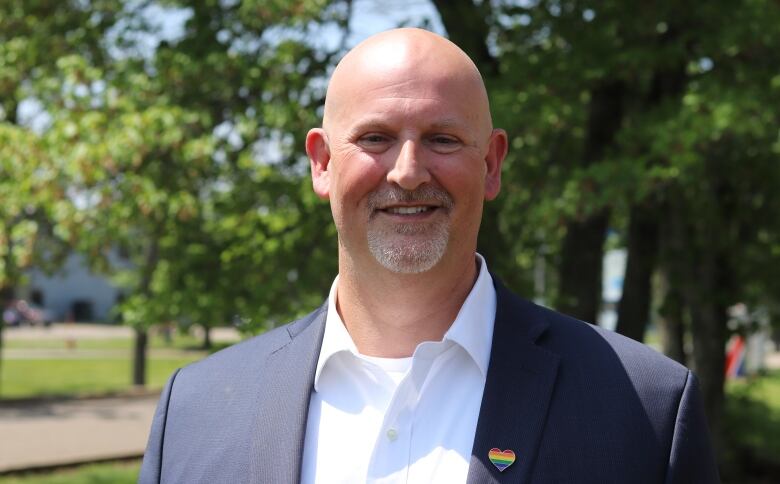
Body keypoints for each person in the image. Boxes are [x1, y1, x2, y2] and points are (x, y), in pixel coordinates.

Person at [139, 28, 719, 483]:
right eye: (375, 138)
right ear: (321, 162)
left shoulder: (644, 411)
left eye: (442, 139)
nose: (409, 172)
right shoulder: (195, 413)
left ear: (491, 164)